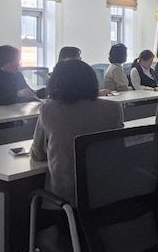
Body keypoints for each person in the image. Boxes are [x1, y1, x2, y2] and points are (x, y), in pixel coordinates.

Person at [31, 59, 124, 204]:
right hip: (107, 190)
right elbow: (118, 148)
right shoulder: (114, 108)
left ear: (55, 84)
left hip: (67, 196)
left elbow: (38, 154)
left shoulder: (48, 110)